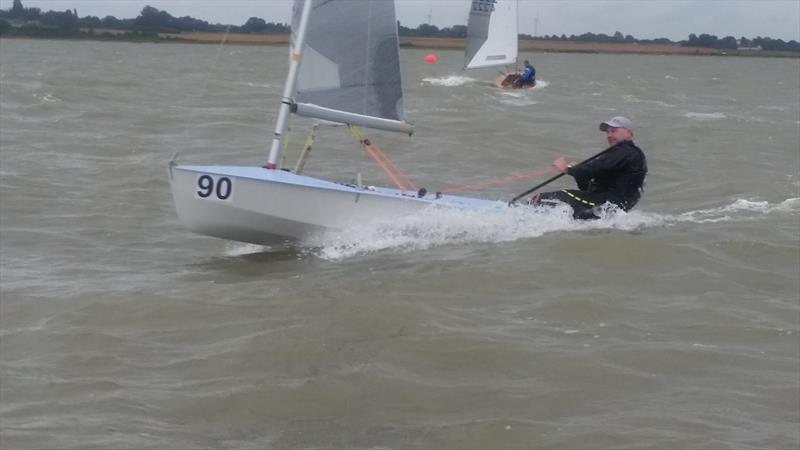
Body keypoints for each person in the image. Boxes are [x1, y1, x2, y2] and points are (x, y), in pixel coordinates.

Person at [531, 116, 647, 219]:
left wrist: (569, 169)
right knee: (556, 203)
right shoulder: (618, 155)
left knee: (540, 198)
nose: (609, 135)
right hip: (603, 205)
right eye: (608, 132)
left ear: (629, 134)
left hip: (605, 203)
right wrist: (578, 172)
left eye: (614, 131)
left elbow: (595, 168)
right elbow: (587, 186)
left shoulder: (628, 152)